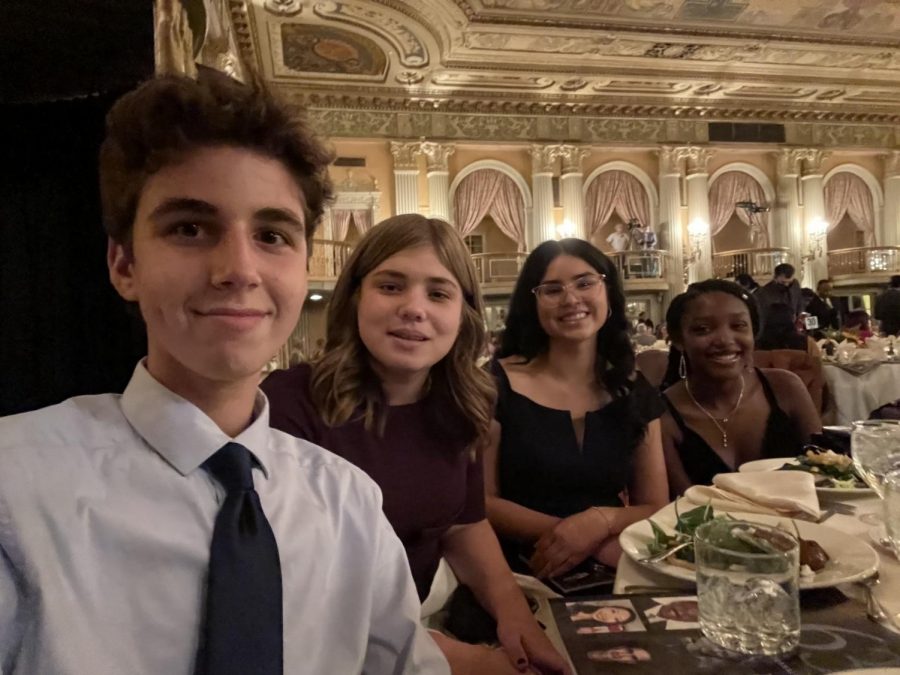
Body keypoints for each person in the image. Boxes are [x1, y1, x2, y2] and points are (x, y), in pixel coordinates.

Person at [0, 72, 448, 674]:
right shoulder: (16, 491)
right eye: (190, 228)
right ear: (124, 263)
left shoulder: (350, 506)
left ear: (303, 267)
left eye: (271, 235)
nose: (239, 268)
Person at [262, 215, 570, 675]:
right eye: (391, 286)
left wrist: (514, 613)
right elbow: (293, 593)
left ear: (463, 315)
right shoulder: (289, 405)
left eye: (439, 293)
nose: (414, 308)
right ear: (354, 298)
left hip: (421, 628)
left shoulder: (461, 403)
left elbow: (463, 526)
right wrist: (470, 662)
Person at [486, 239, 669, 581]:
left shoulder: (633, 388)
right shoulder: (495, 386)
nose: (571, 299)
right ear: (534, 304)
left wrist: (600, 522)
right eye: (552, 289)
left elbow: (655, 505)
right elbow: (482, 501)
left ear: (608, 292)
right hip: (518, 571)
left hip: (614, 567)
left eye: (585, 283)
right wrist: (573, 536)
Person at [660, 280, 821, 494]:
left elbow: (828, 472)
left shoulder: (786, 388)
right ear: (679, 340)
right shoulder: (662, 415)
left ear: (753, 333)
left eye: (739, 326)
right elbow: (682, 507)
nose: (725, 339)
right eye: (703, 329)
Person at [753, 263, 803, 331]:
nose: (786, 285)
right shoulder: (763, 293)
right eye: (783, 282)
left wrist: (799, 315)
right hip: (775, 330)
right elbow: (762, 317)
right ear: (775, 278)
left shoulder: (795, 284)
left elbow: (799, 302)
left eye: (789, 282)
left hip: (793, 328)